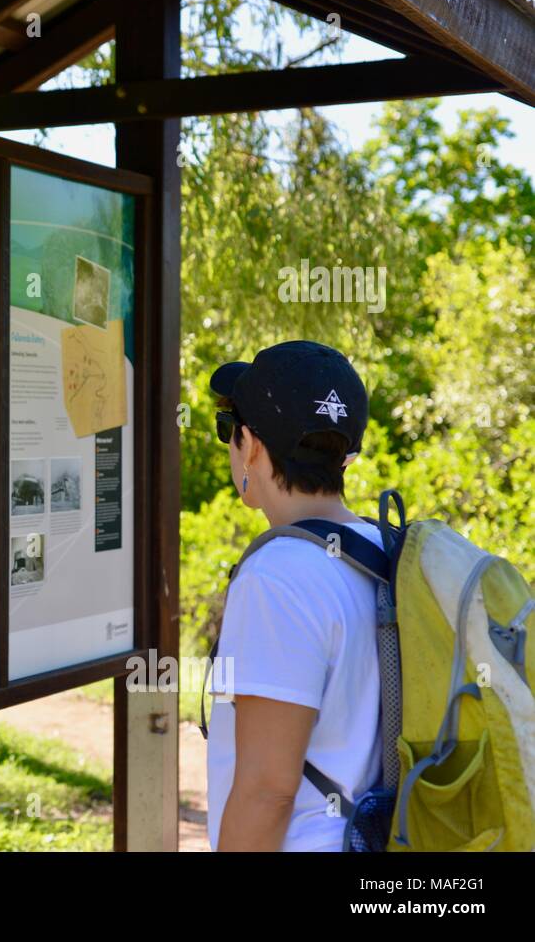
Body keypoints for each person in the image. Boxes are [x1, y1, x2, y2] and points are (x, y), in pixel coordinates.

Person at [204, 340, 385, 851]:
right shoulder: (385, 550)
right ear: (345, 455)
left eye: (228, 431)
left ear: (253, 446)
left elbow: (268, 791)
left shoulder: (278, 578)